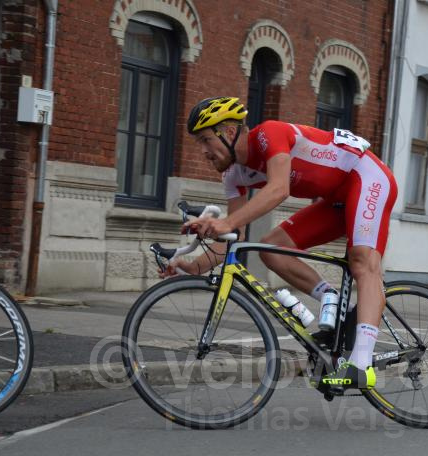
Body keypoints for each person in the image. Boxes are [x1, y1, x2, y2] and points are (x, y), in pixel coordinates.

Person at [163, 96, 398, 391]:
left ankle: (362, 365)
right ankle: (335, 302)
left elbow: (278, 188)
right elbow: (232, 238)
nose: (203, 151)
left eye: (205, 140)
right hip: (335, 199)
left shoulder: (268, 134)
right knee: (271, 249)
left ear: (229, 132)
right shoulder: (232, 175)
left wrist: (226, 222)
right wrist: (194, 266)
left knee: (362, 260)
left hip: (366, 178)